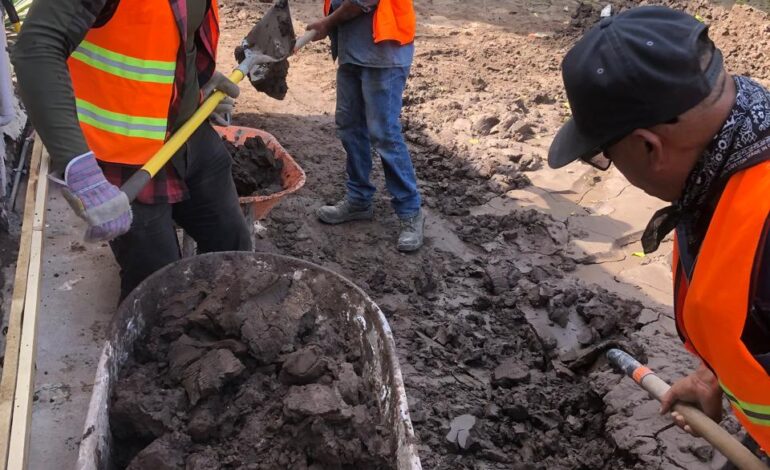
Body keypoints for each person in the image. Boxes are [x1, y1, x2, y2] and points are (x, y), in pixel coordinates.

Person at [549, 6, 770, 452]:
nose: (612, 169)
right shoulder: (725, 167)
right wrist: (719, 376)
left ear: (649, 147)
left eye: (605, 156)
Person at [13, 0, 253, 301]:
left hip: (187, 134)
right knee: (157, 284)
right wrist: (79, 168)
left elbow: (171, 29)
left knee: (233, 245)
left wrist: (198, 81)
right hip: (122, 154)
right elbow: (36, 50)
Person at [306, 0, 425, 252]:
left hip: (384, 53)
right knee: (349, 127)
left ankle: (410, 211)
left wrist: (327, 24)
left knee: (384, 134)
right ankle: (358, 198)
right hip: (352, 50)